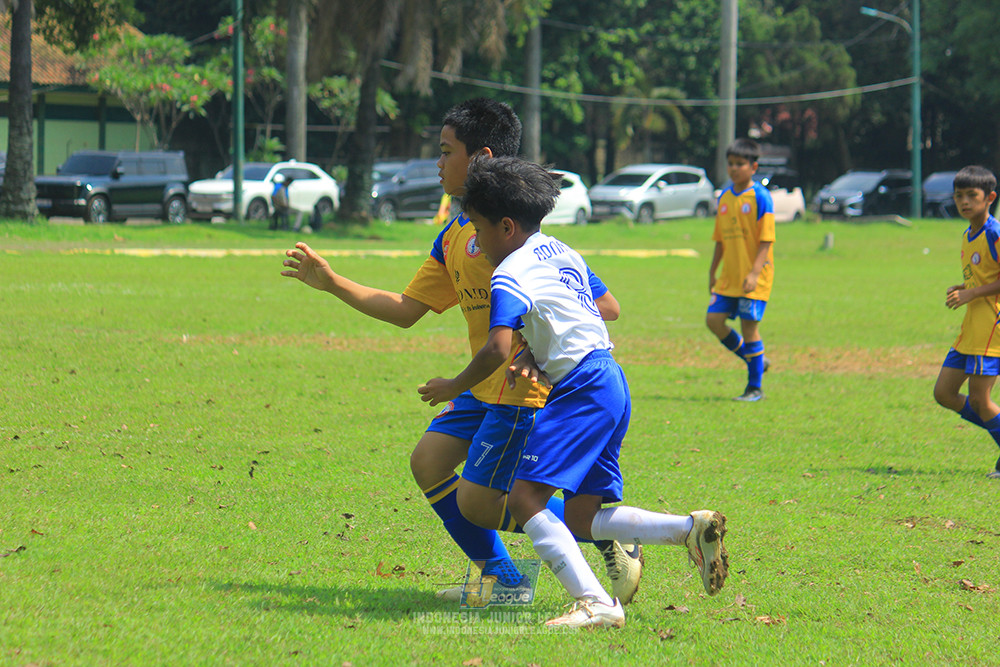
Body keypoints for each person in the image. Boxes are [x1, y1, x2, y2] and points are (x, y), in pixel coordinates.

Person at [280, 98, 643, 603]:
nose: (438, 162)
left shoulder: (515, 238)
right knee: (428, 462)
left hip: (521, 389)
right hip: (482, 384)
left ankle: (604, 530)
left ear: (480, 158)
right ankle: (508, 582)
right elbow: (406, 309)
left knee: (488, 500)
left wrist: (539, 347)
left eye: (446, 151)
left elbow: (606, 306)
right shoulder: (454, 235)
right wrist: (333, 282)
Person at [418, 156, 729, 629]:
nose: (475, 241)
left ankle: (596, 603)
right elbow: (596, 309)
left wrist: (452, 386)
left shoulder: (508, 273)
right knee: (582, 517)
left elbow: (496, 347)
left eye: (478, 229)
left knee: (524, 498)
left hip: (580, 388)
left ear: (505, 226)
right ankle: (688, 528)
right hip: (610, 380)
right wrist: (538, 351)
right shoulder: (561, 251)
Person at [933, 166, 1000, 479]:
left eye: (972, 195)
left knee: (980, 400)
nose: (964, 202)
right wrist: (965, 287)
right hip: (972, 325)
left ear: (990, 198)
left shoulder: (994, 233)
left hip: (992, 326)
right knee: (944, 393)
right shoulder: (968, 234)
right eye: (959, 195)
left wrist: (972, 293)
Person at [706, 138, 776, 401]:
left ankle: (754, 388)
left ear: (753, 167)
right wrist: (712, 271)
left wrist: (755, 273)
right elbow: (720, 240)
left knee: (749, 328)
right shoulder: (725, 197)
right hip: (729, 277)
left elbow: (766, 239)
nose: (734, 169)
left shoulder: (760, 197)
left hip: (754, 277)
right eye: (731, 164)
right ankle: (755, 359)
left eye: (740, 164)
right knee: (713, 321)